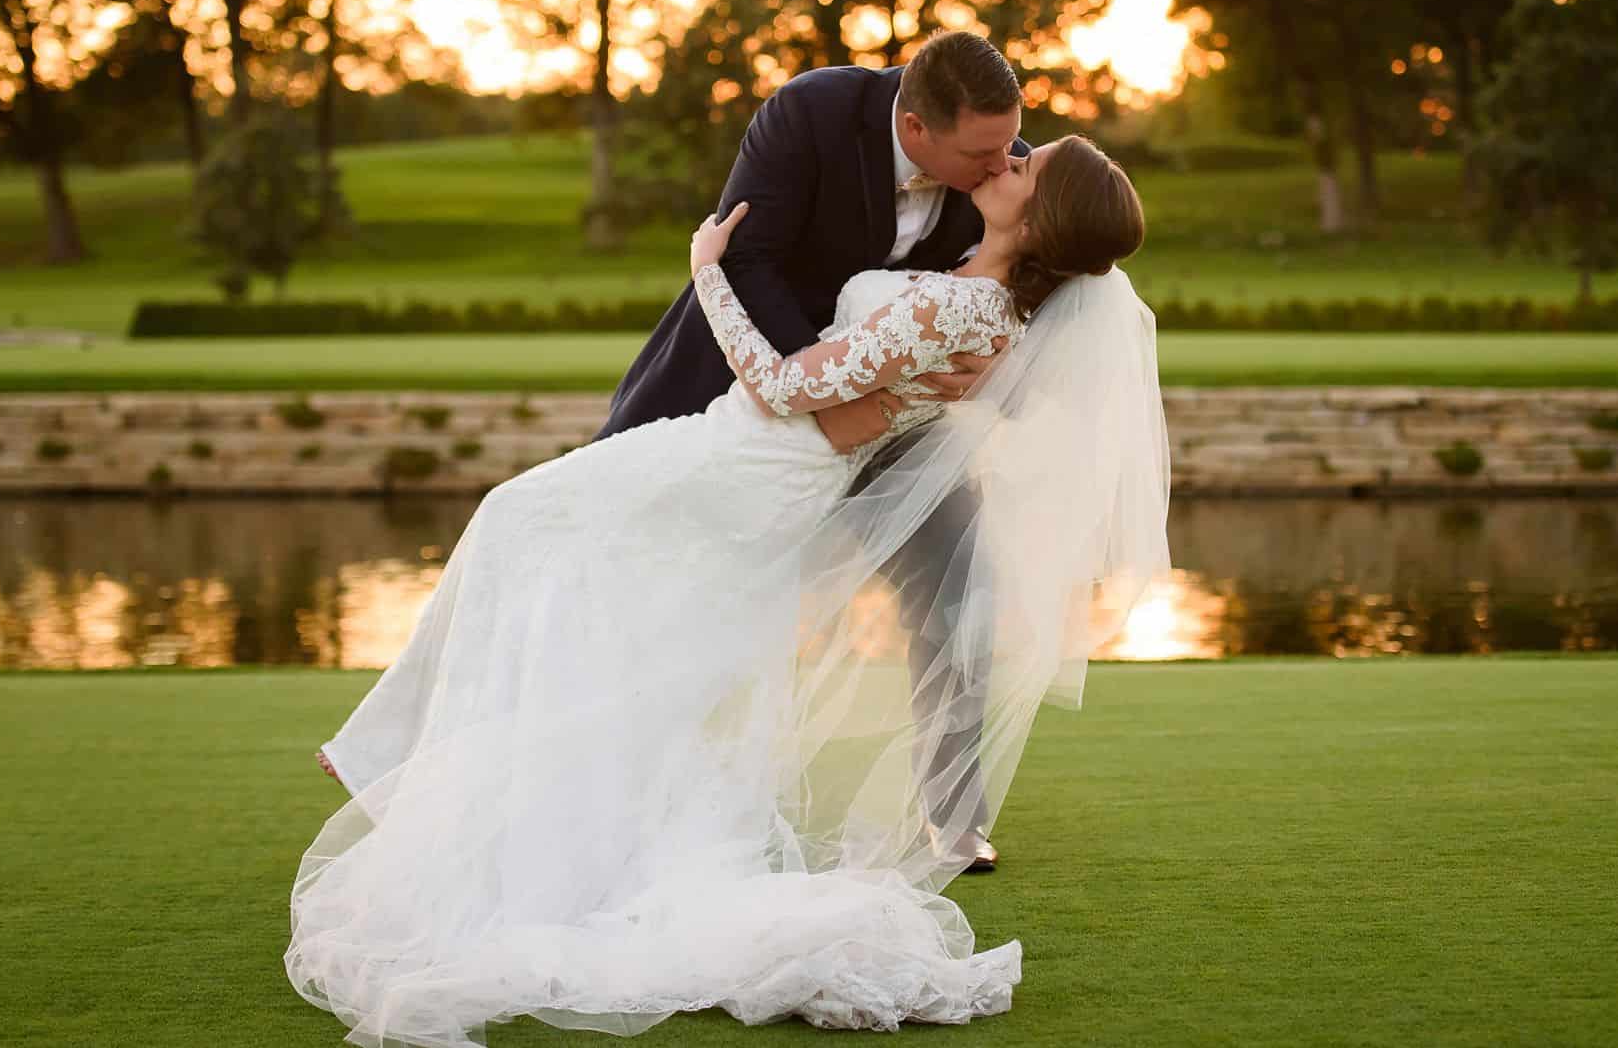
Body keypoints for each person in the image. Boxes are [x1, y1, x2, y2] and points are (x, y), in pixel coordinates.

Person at [289, 134, 1168, 1043]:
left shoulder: (962, 307)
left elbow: (785, 386)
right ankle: (440, 768)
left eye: (1025, 168)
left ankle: (396, 750)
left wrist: (707, 272)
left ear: (1039, 219)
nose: (1007, 161)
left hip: (753, 459)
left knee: (517, 516)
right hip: (750, 450)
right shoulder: (976, 297)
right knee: (589, 590)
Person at [597, 30, 1032, 874]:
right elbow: (747, 258)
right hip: (747, 391)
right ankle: (629, 780)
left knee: (959, 578)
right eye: (982, 153)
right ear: (916, 127)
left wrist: (995, 362)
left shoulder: (998, 160)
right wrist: (823, 395)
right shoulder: (810, 113)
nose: (1002, 164)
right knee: (633, 565)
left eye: (1010, 145)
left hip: (897, 422)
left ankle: (953, 814)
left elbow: (1044, 273)